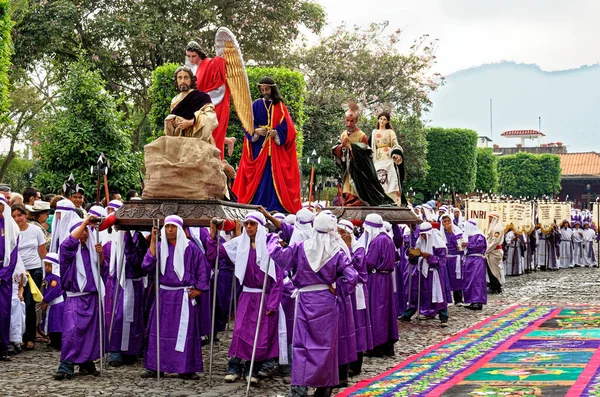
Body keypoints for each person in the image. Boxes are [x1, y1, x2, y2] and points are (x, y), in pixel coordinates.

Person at [267, 213, 358, 397]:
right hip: (326, 302)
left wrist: (272, 239)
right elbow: (352, 277)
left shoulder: (301, 247)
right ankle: (324, 388)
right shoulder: (337, 251)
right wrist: (337, 288)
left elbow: (280, 257)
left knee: (302, 346)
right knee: (325, 347)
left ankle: (299, 389)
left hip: (305, 301)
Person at [207, 212, 283, 384]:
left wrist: (272, 304)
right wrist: (213, 235)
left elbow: (278, 278)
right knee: (240, 331)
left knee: (260, 335)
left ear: (260, 227)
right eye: (246, 223)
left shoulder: (271, 247)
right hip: (247, 295)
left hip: (264, 298)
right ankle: (234, 367)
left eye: (252, 224)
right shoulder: (239, 244)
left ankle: (252, 369)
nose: (248, 227)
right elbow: (215, 255)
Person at [141, 215, 209, 379]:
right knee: (160, 332)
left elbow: (203, 269)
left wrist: (199, 289)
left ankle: (186, 368)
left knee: (185, 333)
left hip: (183, 297)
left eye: (173, 227)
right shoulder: (159, 247)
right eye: (167, 227)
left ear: (180, 229)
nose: (170, 230)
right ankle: (156, 366)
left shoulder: (191, 248)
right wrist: (152, 242)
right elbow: (146, 266)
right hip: (165, 296)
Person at [232, 77, 302, 214]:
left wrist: (277, 133)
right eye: (262, 88)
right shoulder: (256, 105)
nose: (264, 91)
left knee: (274, 176)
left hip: (276, 151)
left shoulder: (280, 106)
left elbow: (289, 128)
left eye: (267, 88)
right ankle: (257, 204)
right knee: (259, 178)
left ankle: (275, 206)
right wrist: (255, 131)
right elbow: (247, 124)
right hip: (259, 148)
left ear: (272, 89)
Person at [54, 216, 104, 380]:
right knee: (72, 331)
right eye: (81, 231)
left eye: (86, 232)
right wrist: (84, 223)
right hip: (75, 297)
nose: (84, 234)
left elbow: (99, 272)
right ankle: (66, 364)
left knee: (91, 332)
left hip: (91, 297)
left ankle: (86, 362)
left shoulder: (91, 250)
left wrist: (101, 256)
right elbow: (68, 244)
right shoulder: (67, 252)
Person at [332, 102, 394, 207]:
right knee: (347, 188)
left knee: (357, 189)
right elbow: (338, 150)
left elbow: (365, 155)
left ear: (356, 121)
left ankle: (357, 202)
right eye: (347, 120)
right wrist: (342, 146)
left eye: (352, 121)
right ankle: (348, 203)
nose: (349, 123)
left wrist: (351, 147)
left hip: (359, 172)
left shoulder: (362, 136)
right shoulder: (343, 134)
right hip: (348, 169)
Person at [185, 40, 231, 158]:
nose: (191, 59)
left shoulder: (211, 63)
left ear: (199, 54)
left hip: (214, 105)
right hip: (200, 107)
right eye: (188, 56)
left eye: (193, 56)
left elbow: (220, 87)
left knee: (212, 134)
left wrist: (201, 98)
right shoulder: (194, 69)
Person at [360, 213, 398, 354]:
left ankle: (377, 345)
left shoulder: (376, 241)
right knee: (386, 310)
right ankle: (388, 344)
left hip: (377, 280)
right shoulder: (387, 238)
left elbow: (370, 262)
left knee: (377, 310)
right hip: (386, 278)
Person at [338, 219, 371, 378]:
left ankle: (356, 364)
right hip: (346, 291)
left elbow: (355, 268)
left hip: (356, 291)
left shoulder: (358, 248)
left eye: (341, 232)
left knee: (357, 325)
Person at [401, 222, 450, 327]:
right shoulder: (420, 242)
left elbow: (442, 261)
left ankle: (443, 317)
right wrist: (412, 257)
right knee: (416, 293)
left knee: (438, 295)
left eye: (425, 234)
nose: (423, 236)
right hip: (421, 272)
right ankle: (408, 314)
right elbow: (415, 259)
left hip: (433, 273)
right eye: (421, 234)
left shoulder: (439, 244)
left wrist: (429, 257)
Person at [12, 204, 47, 350]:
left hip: (34, 270)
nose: (17, 219)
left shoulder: (35, 230)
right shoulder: (11, 231)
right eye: (14, 216)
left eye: (19, 215)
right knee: (18, 303)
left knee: (29, 303)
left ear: (26, 215)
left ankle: (30, 337)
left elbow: (42, 251)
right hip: (18, 271)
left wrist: (46, 271)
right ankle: (18, 336)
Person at [164, 66, 217, 141]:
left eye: (186, 78)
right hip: (180, 138)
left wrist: (189, 122)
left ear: (191, 80)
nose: (182, 81)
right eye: (180, 78)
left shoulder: (201, 96)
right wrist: (174, 123)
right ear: (176, 80)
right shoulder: (174, 100)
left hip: (198, 139)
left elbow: (210, 117)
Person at [370, 112, 405, 206]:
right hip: (377, 157)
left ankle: (394, 201)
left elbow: (395, 144)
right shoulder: (374, 133)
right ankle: (378, 200)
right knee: (377, 178)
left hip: (388, 157)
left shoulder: (390, 132)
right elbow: (369, 146)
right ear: (378, 119)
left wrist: (396, 153)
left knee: (390, 178)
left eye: (384, 119)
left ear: (387, 121)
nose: (382, 121)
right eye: (380, 118)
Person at [461, 220, 487, 310]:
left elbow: (479, 245)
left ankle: (478, 301)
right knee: (470, 281)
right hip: (469, 259)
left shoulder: (479, 235)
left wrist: (467, 244)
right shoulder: (467, 236)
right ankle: (472, 300)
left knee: (477, 280)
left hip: (477, 260)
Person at [41, 253, 64, 350]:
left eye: (49, 265)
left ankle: (58, 343)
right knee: (51, 323)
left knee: (57, 324)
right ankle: (53, 341)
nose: (46, 267)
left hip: (56, 304)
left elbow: (54, 290)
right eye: (45, 265)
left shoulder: (56, 278)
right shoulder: (48, 277)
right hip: (51, 304)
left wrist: (46, 300)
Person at [440, 214, 464, 304]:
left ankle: (458, 299)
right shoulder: (440, 233)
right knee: (446, 278)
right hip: (446, 259)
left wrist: (451, 233)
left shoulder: (457, 230)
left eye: (448, 221)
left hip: (456, 258)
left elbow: (460, 245)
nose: (446, 223)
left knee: (457, 278)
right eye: (444, 221)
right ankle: (446, 299)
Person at [485, 212, 505, 294]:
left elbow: (494, 242)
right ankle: (496, 286)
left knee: (494, 270)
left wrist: (486, 250)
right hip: (492, 251)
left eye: (491, 218)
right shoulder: (493, 227)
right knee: (492, 269)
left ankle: (494, 286)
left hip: (494, 252)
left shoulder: (497, 229)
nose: (489, 220)